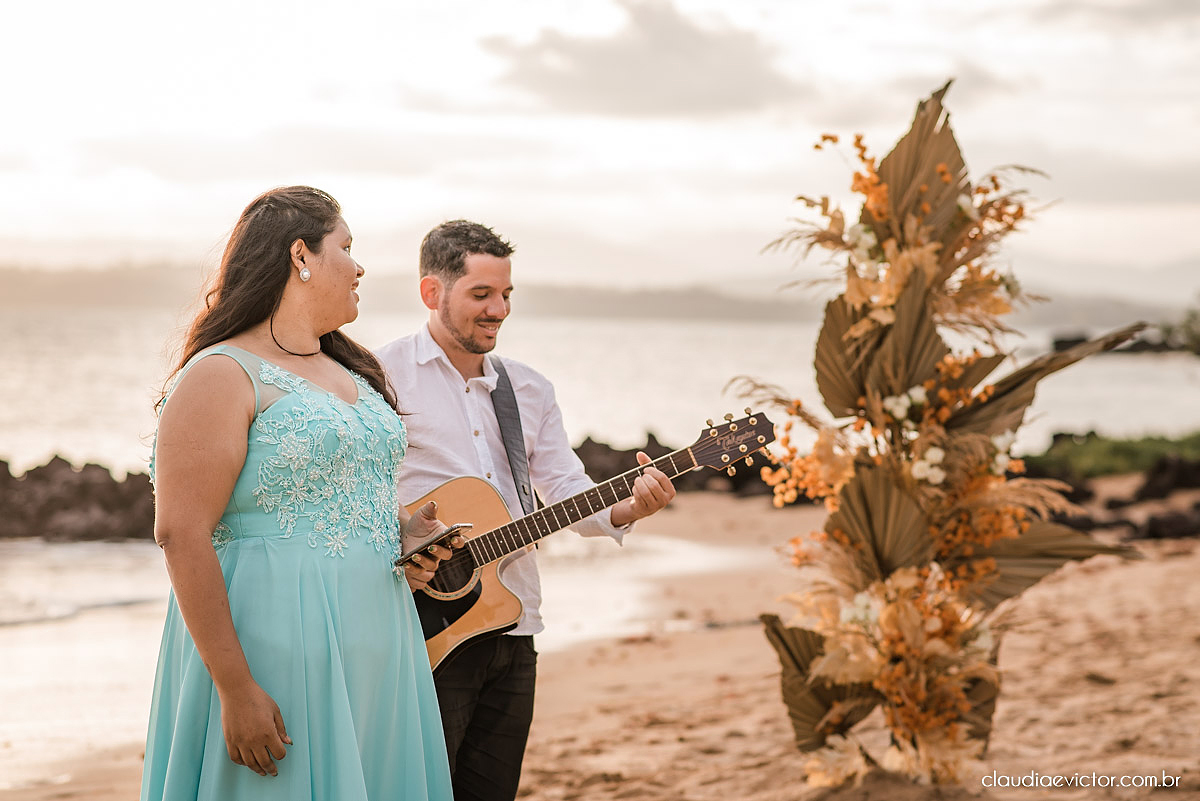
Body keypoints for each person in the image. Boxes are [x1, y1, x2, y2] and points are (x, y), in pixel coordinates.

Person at [141, 186, 457, 801]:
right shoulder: (222, 373)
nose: (360, 267)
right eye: (347, 247)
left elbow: (338, 493)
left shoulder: (351, 371)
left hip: (380, 637)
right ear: (300, 255)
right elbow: (180, 532)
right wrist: (236, 688)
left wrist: (405, 532)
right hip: (273, 639)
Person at [375, 220, 676, 801]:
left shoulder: (529, 389)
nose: (499, 310)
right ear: (432, 292)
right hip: (423, 629)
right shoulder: (380, 377)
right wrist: (407, 540)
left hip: (515, 625)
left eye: (506, 294)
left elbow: (564, 487)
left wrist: (627, 509)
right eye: (481, 294)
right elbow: (354, 493)